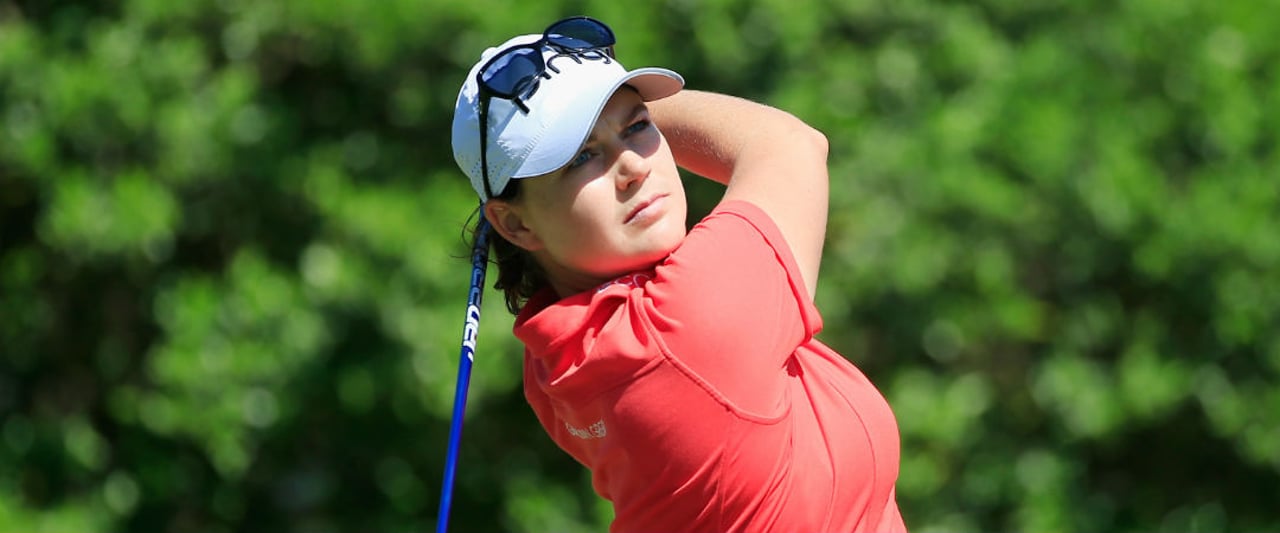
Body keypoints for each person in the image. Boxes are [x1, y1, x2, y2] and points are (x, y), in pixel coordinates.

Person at [450, 16, 906, 533]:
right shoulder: (684, 322)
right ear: (514, 224)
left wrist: (594, 102)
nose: (634, 167)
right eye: (583, 158)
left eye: (637, 128)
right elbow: (788, 142)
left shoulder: (552, 363)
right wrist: (620, 103)